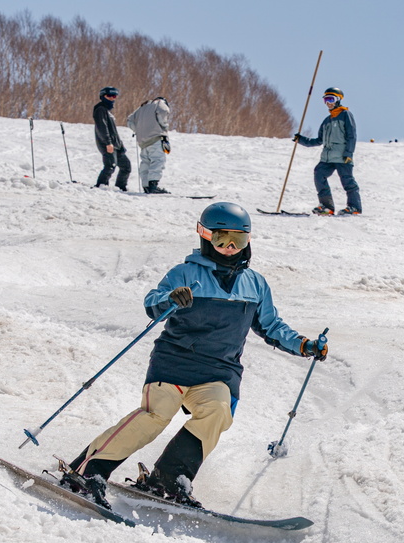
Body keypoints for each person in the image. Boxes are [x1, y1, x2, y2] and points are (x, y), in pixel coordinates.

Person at [58, 202, 328, 509]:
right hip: (173, 365)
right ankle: (87, 470)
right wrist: (171, 298)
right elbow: (152, 303)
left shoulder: (255, 284)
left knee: (218, 413)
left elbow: (271, 325)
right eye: (222, 239)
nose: (230, 248)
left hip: (218, 372)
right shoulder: (185, 273)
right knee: (156, 415)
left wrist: (303, 345)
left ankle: (170, 478)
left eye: (238, 240)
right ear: (205, 237)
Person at [296, 86, 360, 215]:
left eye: (331, 99)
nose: (328, 103)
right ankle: (327, 206)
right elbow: (319, 140)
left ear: (338, 100)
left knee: (347, 181)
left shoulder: (346, 115)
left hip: (342, 156)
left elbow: (351, 135)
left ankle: (355, 207)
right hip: (327, 157)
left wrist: (349, 153)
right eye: (325, 100)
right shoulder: (326, 121)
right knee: (319, 174)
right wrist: (301, 140)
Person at [126, 96, 171, 194]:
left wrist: (138, 130)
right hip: (156, 138)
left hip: (143, 142)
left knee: (146, 162)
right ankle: (153, 186)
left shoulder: (142, 107)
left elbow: (129, 120)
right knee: (157, 160)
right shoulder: (160, 103)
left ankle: (146, 186)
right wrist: (164, 125)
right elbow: (163, 111)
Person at [93, 86, 131, 190]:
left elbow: (113, 131)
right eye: (109, 95)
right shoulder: (100, 109)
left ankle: (120, 187)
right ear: (102, 96)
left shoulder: (107, 111)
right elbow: (102, 128)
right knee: (110, 166)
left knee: (126, 166)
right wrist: (108, 143)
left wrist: (120, 145)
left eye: (114, 96)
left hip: (116, 145)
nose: (111, 98)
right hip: (108, 144)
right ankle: (101, 186)